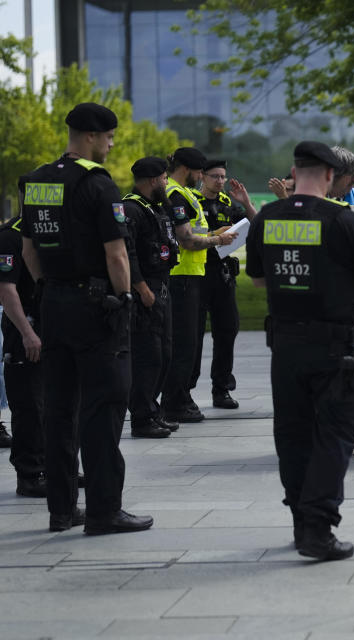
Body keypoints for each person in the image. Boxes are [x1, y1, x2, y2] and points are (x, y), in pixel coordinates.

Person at [246, 141, 354, 561]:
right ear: (330, 175)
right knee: (335, 435)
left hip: (285, 345)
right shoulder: (344, 220)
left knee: (292, 436)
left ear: (294, 171)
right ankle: (318, 527)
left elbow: (257, 280)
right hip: (335, 347)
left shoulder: (267, 218)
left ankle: (299, 522)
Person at [18, 102, 153, 534]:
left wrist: (48, 288)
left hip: (53, 306)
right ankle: (103, 511)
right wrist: (125, 296)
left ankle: (61, 511)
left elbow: (28, 251)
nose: (112, 145)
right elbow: (116, 253)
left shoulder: (37, 181)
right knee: (103, 409)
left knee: (58, 409)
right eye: (109, 137)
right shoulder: (98, 184)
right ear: (92, 136)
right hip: (97, 310)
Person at [159, 148, 238, 424]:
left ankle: (180, 398)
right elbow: (187, 240)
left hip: (192, 274)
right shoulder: (176, 194)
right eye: (199, 172)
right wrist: (218, 241)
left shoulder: (183, 193)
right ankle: (175, 401)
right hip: (183, 276)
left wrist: (219, 234)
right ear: (189, 170)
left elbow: (196, 232)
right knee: (183, 344)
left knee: (189, 342)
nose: (201, 177)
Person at [190, 160, 256, 410]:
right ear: (202, 176)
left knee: (227, 331)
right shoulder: (191, 201)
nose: (219, 181)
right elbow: (185, 235)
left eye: (223, 177)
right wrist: (216, 236)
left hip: (223, 275)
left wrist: (246, 203)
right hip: (197, 273)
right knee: (193, 335)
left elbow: (255, 224)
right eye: (215, 176)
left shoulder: (228, 204)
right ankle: (185, 389)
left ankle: (222, 389)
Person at [124, 157, 181, 438]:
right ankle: (141, 418)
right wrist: (140, 287)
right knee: (148, 357)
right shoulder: (131, 209)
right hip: (145, 290)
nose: (166, 182)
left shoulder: (157, 208)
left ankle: (152, 410)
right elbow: (127, 252)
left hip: (162, 285)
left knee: (164, 354)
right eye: (163, 178)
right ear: (150, 180)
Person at [0, 215, 45, 496]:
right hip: (24, 330)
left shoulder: (49, 229)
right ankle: (29, 475)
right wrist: (27, 333)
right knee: (29, 405)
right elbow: (6, 291)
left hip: (50, 326)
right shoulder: (10, 236)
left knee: (53, 404)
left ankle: (53, 466)